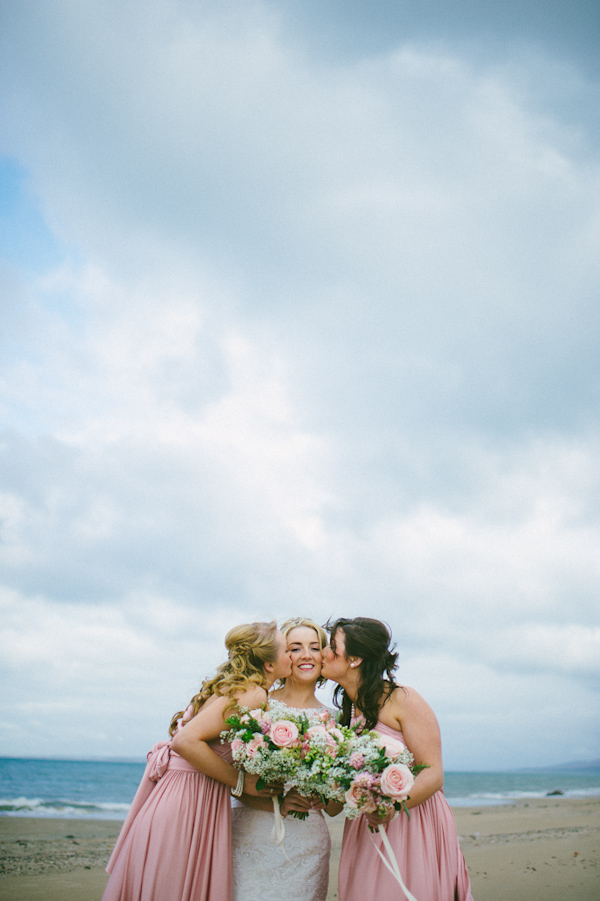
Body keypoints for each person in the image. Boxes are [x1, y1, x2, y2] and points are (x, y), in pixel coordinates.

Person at [102, 621, 292, 901]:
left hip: (177, 796)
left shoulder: (235, 687)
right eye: (287, 650)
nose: (292, 656)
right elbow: (185, 741)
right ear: (269, 665)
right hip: (187, 803)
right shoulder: (253, 693)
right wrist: (243, 782)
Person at [321, 617, 474, 901]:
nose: (323, 652)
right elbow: (335, 799)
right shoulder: (345, 717)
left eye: (332, 646)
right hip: (366, 826)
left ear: (354, 659)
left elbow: (433, 773)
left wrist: (391, 807)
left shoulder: (403, 699)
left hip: (411, 820)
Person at [231, 617, 341, 901]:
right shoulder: (259, 701)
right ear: (281, 656)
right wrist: (272, 802)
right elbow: (226, 776)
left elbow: (334, 808)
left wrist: (324, 796)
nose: (306, 655)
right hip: (251, 835)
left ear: (324, 656)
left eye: (315, 647)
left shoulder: (337, 720)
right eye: (295, 648)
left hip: (307, 844)